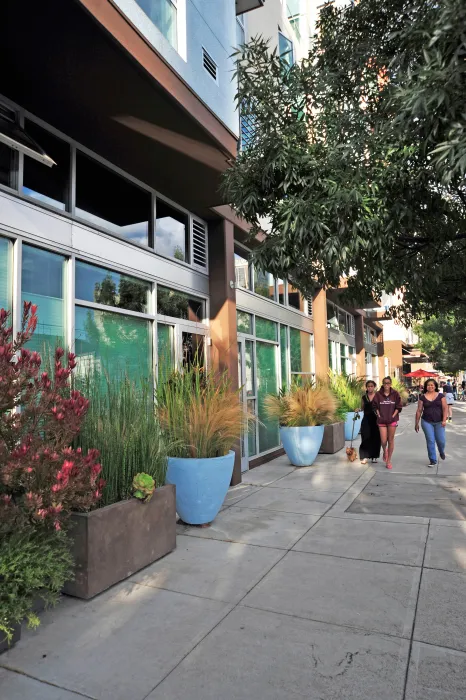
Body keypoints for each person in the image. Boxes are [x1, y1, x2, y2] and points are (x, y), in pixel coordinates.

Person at [415, 379, 447, 466]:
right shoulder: (422, 397)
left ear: (435, 386)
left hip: (439, 422)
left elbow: (445, 408)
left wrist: (444, 420)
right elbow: (419, 410)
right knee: (430, 440)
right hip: (426, 421)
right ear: (426, 387)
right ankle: (433, 460)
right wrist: (416, 423)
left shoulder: (441, 396)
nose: (430, 386)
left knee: (441, 441)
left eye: (432, 385)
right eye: (428, 385)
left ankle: (441, 451)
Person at [373, 377, 403, 470]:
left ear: (390, 384)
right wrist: (378, 414)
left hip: (392, 420)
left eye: (388, 383)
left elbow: (399, 406)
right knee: (383, 440)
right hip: (382, 420)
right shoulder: (378, 394)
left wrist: (393, 415)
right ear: (382, 384)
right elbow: (374, 405)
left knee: (390, 440)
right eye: (385, 383)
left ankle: (388, 460)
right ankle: (384, 451)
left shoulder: (395, 394)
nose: (386, 385)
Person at [359, 380, 381, 464]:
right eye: (368, 386)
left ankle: (374, 456)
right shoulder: (364, 397)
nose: (370, 388)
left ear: (374, 387)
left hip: (376, 419)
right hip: (366, 419)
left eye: (371, 386)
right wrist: (358, 409)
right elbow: (362, 407)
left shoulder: (378, 396)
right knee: (365, 437)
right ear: (366, 388)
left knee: (376, 438)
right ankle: (364, 456)